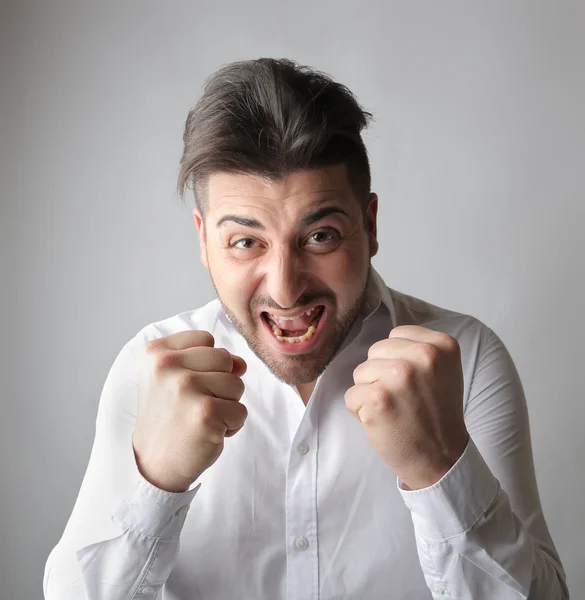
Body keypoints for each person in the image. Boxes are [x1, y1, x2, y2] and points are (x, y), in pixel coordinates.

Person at [43, 58, 568, 600]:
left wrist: (439, 469)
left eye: (320, 236)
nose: (286, 288)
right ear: (204, 241)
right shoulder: (148, 370)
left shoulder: (468, 358)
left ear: (369, 225)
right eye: (246, 242)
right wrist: (154, 483)